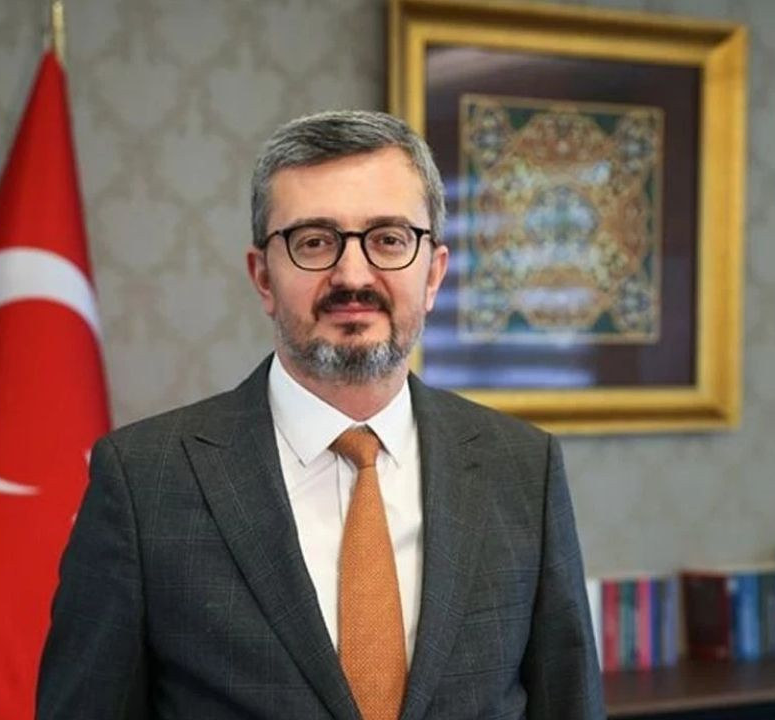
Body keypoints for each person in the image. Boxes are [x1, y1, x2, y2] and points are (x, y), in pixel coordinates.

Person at [37, 110, 604, 719]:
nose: (352, 276)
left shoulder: (523, 469)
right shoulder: (143, 482)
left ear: (434, 274)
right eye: (314, 242)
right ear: (263, 277)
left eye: (389, 239)